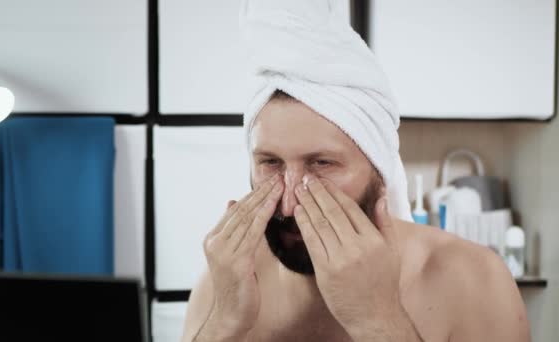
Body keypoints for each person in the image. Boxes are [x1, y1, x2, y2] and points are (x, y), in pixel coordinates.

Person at [181, 1, 530, 341]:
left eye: (322, 164)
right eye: (270, 163)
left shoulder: (474, 281)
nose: (288, 205)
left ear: (379, 175)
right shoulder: (225, 284)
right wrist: (222, 326)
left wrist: (379, 320)